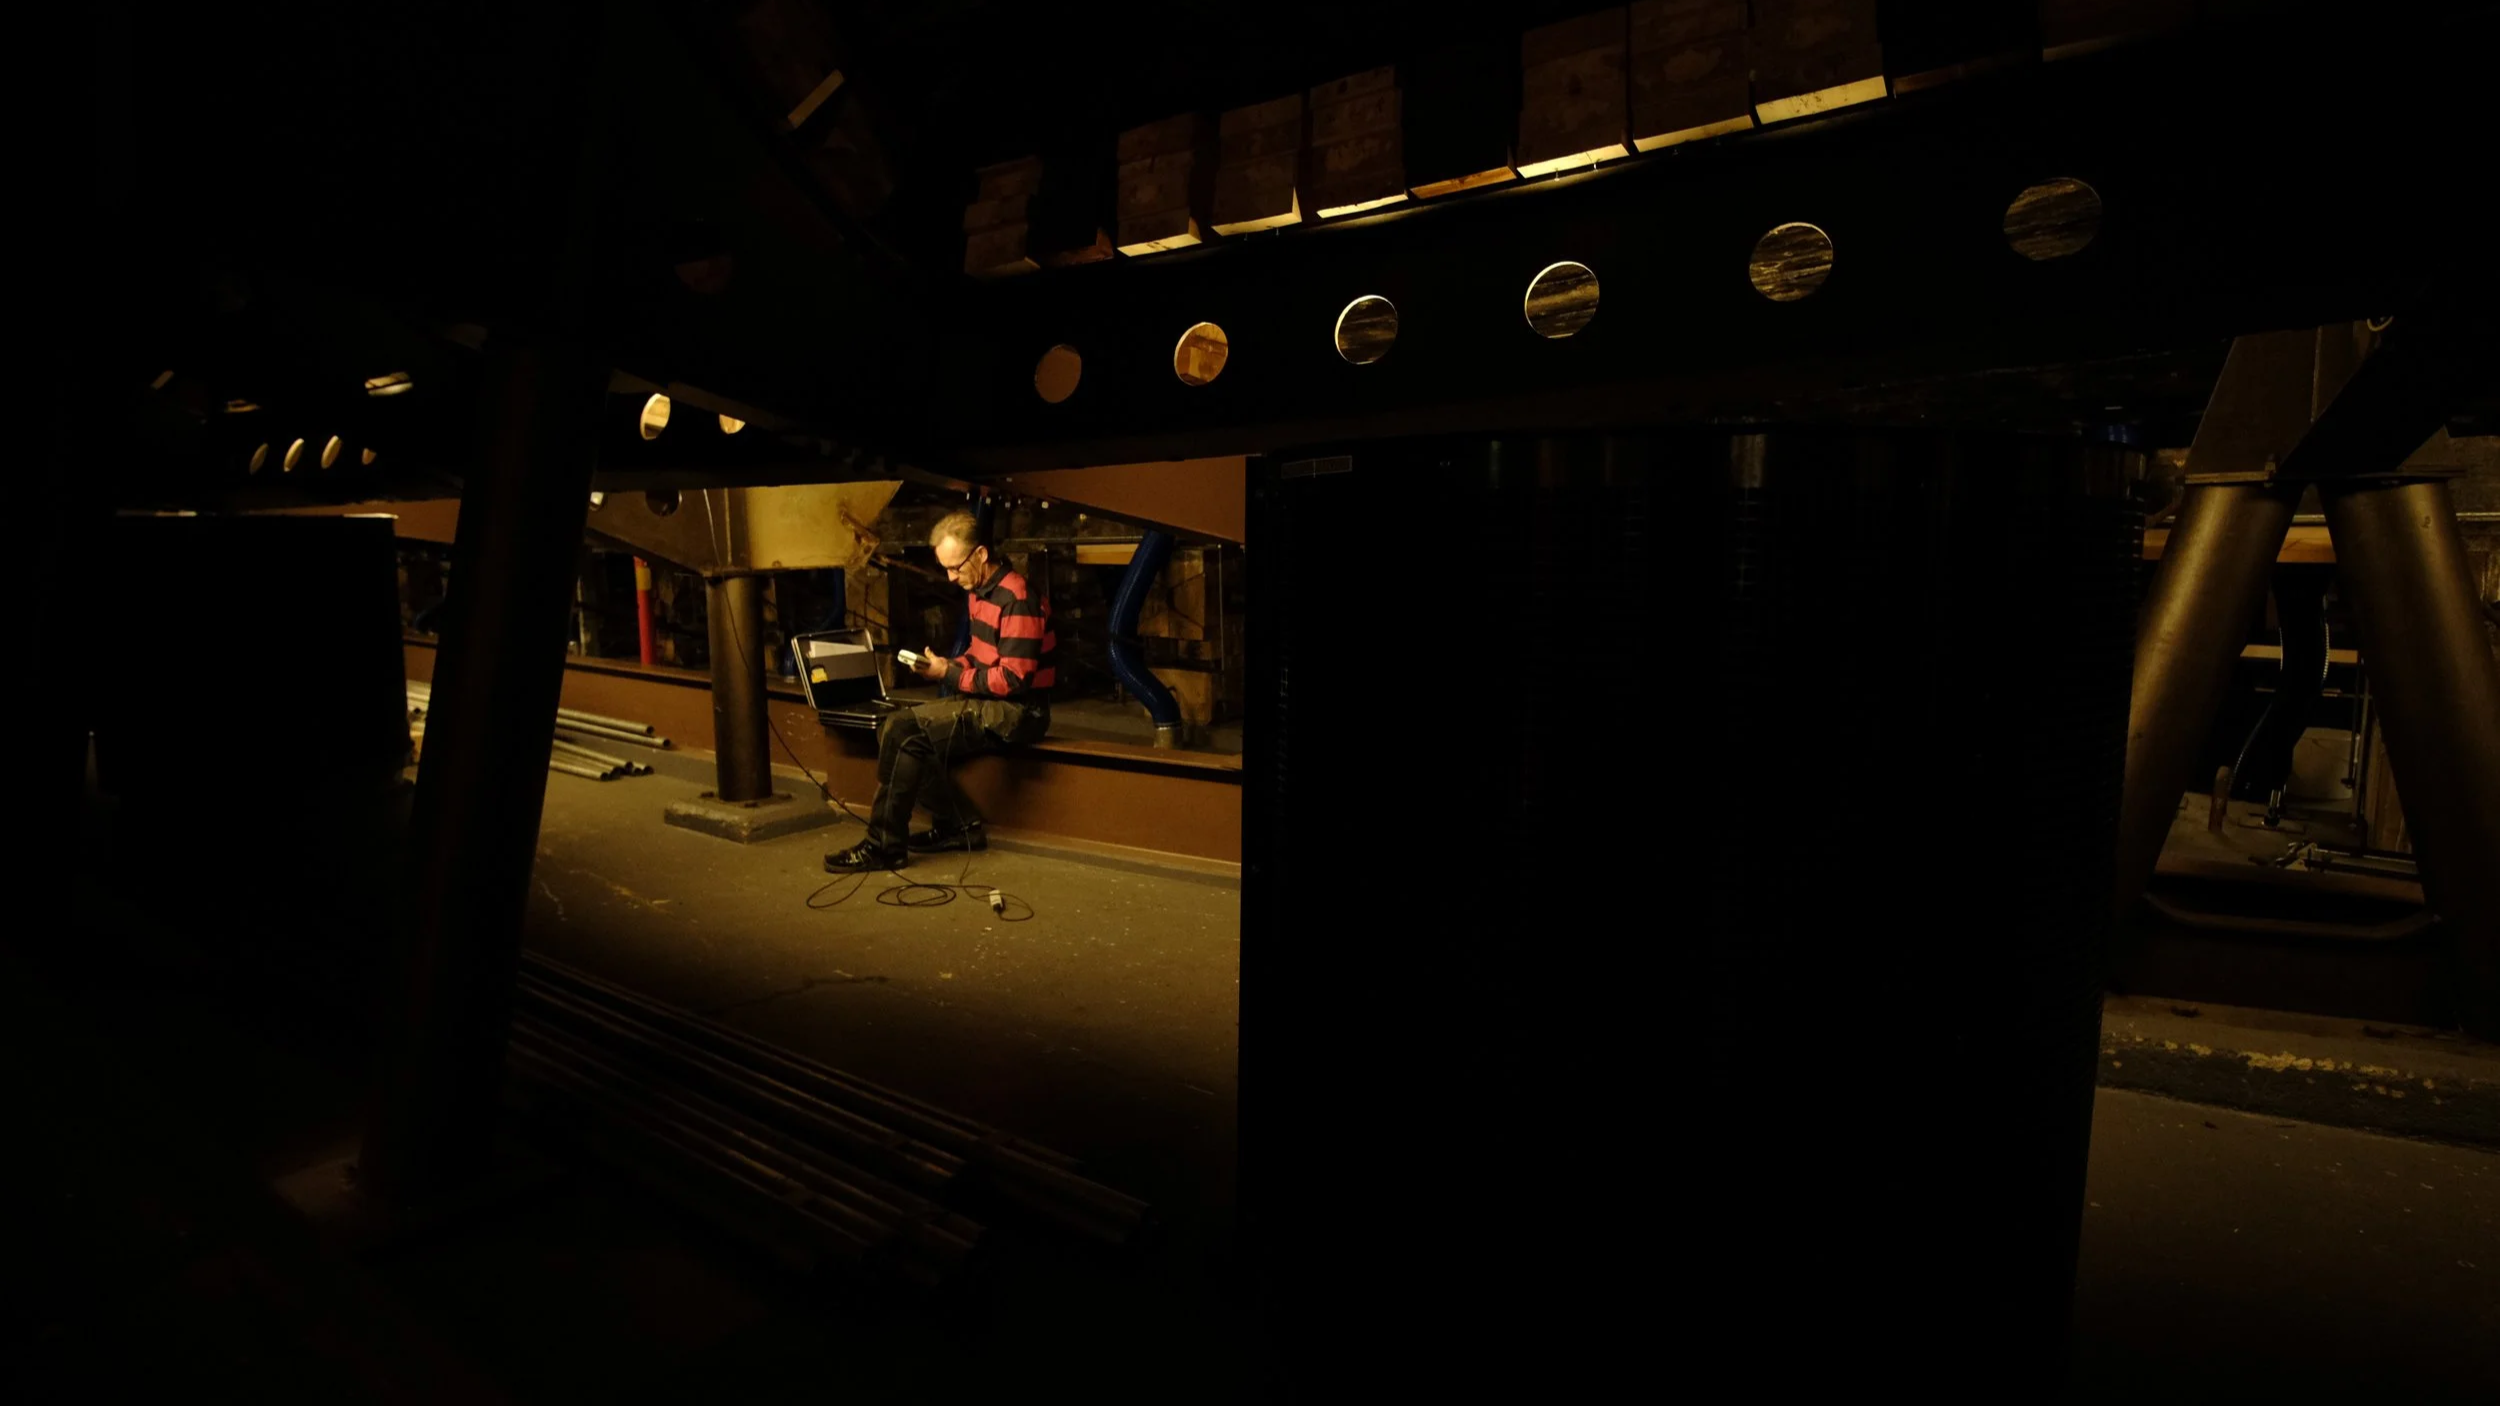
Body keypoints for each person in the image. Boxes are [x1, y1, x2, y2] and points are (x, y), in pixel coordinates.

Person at [824, 509, 1054, 871]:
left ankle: (884, 845)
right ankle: (958, 825)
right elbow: (981, 659)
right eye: (945, 568)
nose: (950, 577)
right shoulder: (979, 588)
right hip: (991, 699)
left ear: (980, 554)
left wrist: (950, 675)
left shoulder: (1016, 597)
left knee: (903, 729)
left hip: (1021, 711)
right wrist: (947, 666)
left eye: (956, 567)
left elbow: (1012, 680)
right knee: (892, 726)